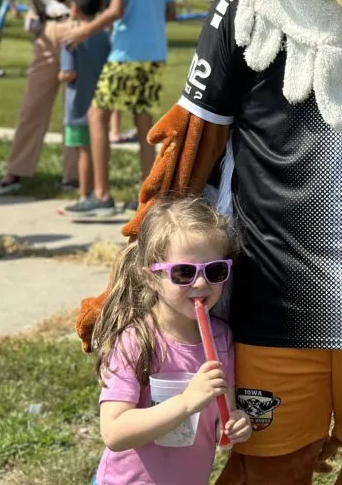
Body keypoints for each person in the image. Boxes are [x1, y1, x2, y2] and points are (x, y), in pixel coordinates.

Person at [93, 197, 252, 484]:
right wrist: (187, 402)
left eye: (215, 271)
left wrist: (234, 425)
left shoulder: (221, 339)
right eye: (183, 272)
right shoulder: (135, 340)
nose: (201, 284)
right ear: (151, 277)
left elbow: (221, 429)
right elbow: (114, 433)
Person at [63, 0, 175, 218]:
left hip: (126, 53)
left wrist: (84, 31)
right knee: (142, 121)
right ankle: (147, 194)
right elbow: (171, 11)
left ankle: (101, 195)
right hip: (154, 54)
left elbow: (115, 9)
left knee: (97, 115)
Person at [0, 0, 98, 196]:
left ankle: (73, 175)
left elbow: (88, 4)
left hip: (75, 30)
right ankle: (16, 170)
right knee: (32, 105)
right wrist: (34, 12)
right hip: (47, 32)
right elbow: (34, 1)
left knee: (74, 107)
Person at [58, 0, 111, 213]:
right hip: (100, 102)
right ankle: (97, 190)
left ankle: (84, 195)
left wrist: (60, 75)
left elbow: (69, 73)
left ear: (74, 7)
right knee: (97, 150)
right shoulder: (106, 35)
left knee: (82, 152)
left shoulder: (70, 39)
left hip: (77, 104)